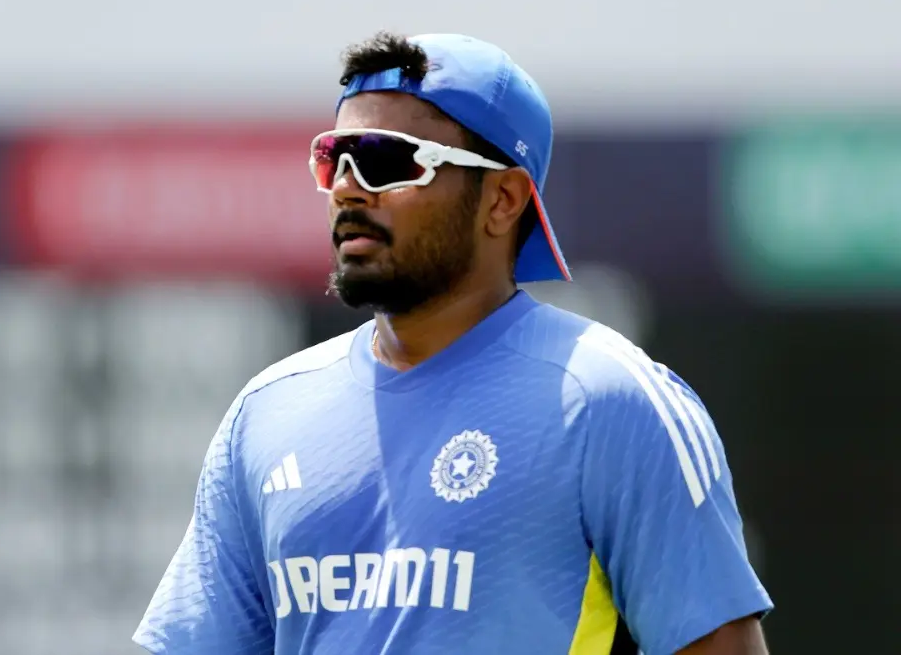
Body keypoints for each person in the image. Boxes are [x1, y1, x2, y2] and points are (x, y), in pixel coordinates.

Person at [133, 32, 773, 655]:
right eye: (335, 158)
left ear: (503, 199)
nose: (349, 188)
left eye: (387, 159)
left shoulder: (609, 401)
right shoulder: (265, 415)